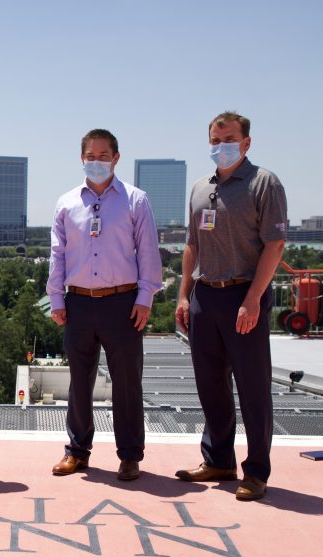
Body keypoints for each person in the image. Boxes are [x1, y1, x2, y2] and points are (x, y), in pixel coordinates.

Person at [174, 111, 287, 501]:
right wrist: (183, 294)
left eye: (229, 138)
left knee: (253, 388)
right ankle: (219, 459)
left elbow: (275, 245)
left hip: (244, 295)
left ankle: (255, 471)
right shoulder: (201, 188)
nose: (220, 146)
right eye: (214, 140)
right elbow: (192, 246)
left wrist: (254, 299)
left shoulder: (263, 183)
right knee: (211, 385)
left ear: (246, 142)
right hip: (206, 294)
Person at [46, 129, 162, 481]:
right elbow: (57, 253)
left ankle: (129, 455)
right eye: (90, 156)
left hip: (122, 303)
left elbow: (148, 252)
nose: (96, 162)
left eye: (103, 155)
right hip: (79, 301)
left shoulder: (135, 201)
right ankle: (77, 451)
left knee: (127, 383)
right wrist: (55, 298)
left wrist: (145, 298)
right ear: (81, 158)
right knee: (79, 383)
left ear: (116, 158)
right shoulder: (66, 203)